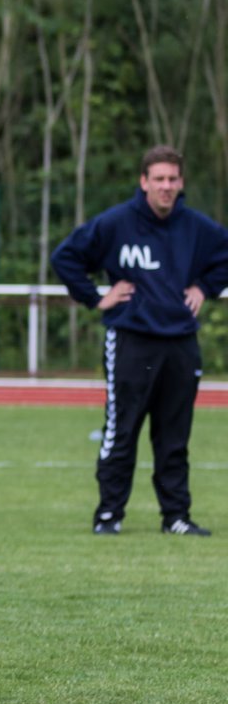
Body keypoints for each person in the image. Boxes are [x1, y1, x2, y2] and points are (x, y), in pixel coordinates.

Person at [52, 144, 228, 536]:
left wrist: (205, 286)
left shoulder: (196, 227)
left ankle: (176, 517)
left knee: (174, 436)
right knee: (122, 431)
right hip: (132, 341)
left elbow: (225, 255)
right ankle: (109, 516)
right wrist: (97, 297)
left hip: (180, 343)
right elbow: (65, 257)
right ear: (144, 182)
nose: (166, 186)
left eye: (172, 179)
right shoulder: (116, 224)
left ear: (181, 183)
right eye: (159, 179)